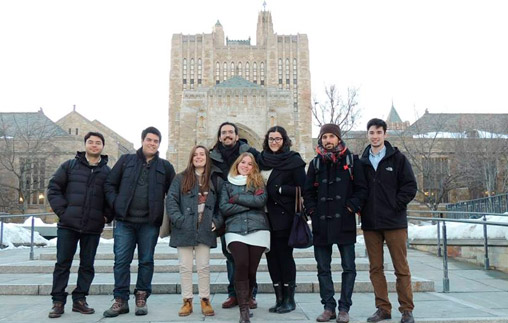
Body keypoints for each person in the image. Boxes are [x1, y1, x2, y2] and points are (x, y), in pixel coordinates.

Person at [103, 126, 175, 318]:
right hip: (125, 221)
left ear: (159, 144)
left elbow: (174, 193)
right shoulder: (126, 161)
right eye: (149, 140)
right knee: (121, 261)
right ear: (142, 140)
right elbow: (110, 184)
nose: (152, 143)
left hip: (150, 224)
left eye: (156, 141)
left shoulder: (165, 167)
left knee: (146, 261)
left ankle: (141, 297)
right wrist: (116, 203)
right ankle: (120, 300)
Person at [303, 124, 368, 323]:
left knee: (349, 267)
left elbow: (362, 190)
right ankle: (328, 307)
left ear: (338, 139)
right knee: (323, 268)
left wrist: (350, 208)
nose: (328, 140)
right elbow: (308, 192)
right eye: (324, 137)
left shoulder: (352, 161)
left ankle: (344, 308)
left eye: (331, 136)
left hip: (344, 222)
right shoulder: (315, 164)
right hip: (321, 223)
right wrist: (313, 211)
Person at [46, 132, 111, 319]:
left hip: (92, 226)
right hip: (68, 225)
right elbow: (54, 189)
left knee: (87, 265)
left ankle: (80, 300)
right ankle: (58, 302)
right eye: (90, 142)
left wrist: (106, 216)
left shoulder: (107, 172)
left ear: (102, 147)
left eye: (98, 143)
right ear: (85, 145)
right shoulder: (69, 166)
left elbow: (112, 197)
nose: (94, 145)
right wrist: (63, 213)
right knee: (62, 264)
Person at [360, 118, 417, 323]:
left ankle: (406, 310)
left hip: (394, 223)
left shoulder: (398, 159)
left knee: (401, 268)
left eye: (378, 132)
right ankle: (383, 308)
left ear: (385, 134)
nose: (375, 136)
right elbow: (359, 189)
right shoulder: (362, 161)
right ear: (367, 135)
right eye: (371, 132)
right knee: (375, 268)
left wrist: (395, 205)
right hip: (371, 224)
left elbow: (410, 187)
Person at [166, 145, 224, 317]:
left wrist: (217, 221)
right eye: (195, 155)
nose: (198, 157)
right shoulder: (180, 178)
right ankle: (187, 301)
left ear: (207, 157)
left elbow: (223, 204)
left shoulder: (214, 179)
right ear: (191, 158)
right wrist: (179, 220)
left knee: (204, 267)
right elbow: (171, 201)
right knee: (185, 267)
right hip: (184, 228)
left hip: (205, 229)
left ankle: (205, 299)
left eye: (202, 154)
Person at [210, 121, 259, 309]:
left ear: (237, 136)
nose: (227, 135)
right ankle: (235, 294)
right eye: (224, 132)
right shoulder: (212, 157)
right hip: (225, 213)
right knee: (232, 255)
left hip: (249, 213)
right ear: (220, 137)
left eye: (231, 132)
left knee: (250, 257)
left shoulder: (250, 154)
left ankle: (250, 294)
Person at [257, 126, 306, 314]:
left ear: (284, 140)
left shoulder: (293, 161)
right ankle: (278, 298)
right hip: (265, 218)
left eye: (278, 139)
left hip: (285, 218)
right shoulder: (260, 160)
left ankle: (289, 299)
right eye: (271, 139)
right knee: (271, 258)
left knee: (285, 257)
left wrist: (281, 190)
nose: (274, 142)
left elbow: (303, 188)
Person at [219, 152, 269, 323]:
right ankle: (244, 310)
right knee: (241, 264)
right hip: (234, 229)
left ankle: (248, 299)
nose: (245, 166)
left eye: (249, 164)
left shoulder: (258, 182)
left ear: (253, 167)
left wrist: (238, 199)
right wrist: (249, 204)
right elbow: (225, 208)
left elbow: (261, 201)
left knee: (251, 270)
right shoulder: (226, 185)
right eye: (243, 162)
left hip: (258, 229)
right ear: (237, 164)